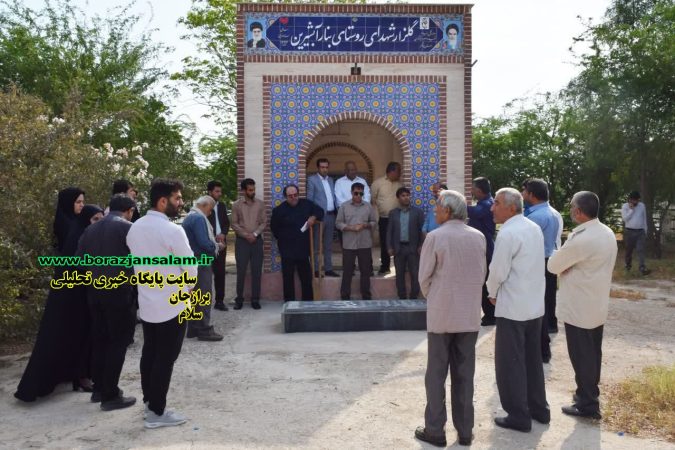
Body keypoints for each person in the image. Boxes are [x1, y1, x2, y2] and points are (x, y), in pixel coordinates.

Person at [415, 190, 486, 448]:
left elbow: (424, 278)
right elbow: (481, 274)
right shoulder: (478, 237)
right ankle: (465, 432)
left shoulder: (435, 237)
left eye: (437, 207)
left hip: (442, 315)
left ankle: (435, 431)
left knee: (436, 374)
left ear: (447, 210)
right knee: (465, 374)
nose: (435, 211)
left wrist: (436, 296)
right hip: (469, 315)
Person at [15, 203, 102, 402]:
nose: (98, 224)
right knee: (68, 337)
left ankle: (80, 375)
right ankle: (79, 377)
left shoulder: (84, 236)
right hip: (71, 301)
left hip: (81, 296)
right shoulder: (76, 238)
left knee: (82, 337)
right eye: (95, 219)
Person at [127, 179, 196, 429]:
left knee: (151, 353)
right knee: (165, 358)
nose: (181, 203)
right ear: (163, 201)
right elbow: (190, 267)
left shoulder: (135, 228)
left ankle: (150, 403)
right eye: (177, 198)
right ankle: (157, 412)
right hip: (172, 305)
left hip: (147, 302)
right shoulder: (172, 230)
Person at [548, 191, 618, 420]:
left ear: (578, 211)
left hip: (579, 307)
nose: (570, 210)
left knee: (582, 356)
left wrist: (565, 265)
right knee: (592, 354)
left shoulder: (583, 237)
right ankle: (586, 396)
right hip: (595, 304)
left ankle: (588, 404)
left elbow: (553, 265)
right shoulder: (606, 232)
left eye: (571, 207)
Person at [487, 188, 549, 432]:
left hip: (513, 308)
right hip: (533, 306)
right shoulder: (532, 227)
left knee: (510, 363)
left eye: (497, 203)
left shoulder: (508, 232)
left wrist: (491, 292)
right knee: (532, 360)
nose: (493, 208)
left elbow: (498, 270)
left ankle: (518, 416)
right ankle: (539, 410)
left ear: (511, 208)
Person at [77, 194, 137, 411]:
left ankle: (99, 389)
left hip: (94, 293)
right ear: (129, 210)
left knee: (101, 340)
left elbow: (80, 262)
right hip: (119, 293)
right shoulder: (128, 228)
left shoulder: (91, 229)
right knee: (118, 341)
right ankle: (110, 395)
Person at [522, 178, 561, 362]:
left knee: (538, 308)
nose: (522, 194)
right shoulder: (552, 212)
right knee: (546, 302)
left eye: (524, 191)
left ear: (532, 195)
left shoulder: (536, 217)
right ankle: (543, 347)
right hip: (549, 260)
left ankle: (542, 350)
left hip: (538, 263)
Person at [182, 195, 225, 341]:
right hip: (201, 261)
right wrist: (216, 246)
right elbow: (203, 242)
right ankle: (204, 330)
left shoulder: (189, 216)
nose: (211, 212)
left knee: (194, 297)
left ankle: (193, 328)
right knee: (204, 296)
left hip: (192, 261)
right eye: (210, 209)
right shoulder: (199, 218)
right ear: (205, 205)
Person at [270, 185, 323, 301]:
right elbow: (274, 228)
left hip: (303, 249)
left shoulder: (307, 204)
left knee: (306, 278)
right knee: (288, 278)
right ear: (285, 197)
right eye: (290, 196)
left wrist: (313, 217)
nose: (293, 198)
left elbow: (320, 211)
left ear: (298, 194)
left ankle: (307, 303)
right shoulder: (279, 210)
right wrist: (284, 238)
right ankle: (289, 304)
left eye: (295, 195)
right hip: (287, 250)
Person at [336, 183, 377, 300]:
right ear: (351, 192)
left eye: (361, 193)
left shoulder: (368, 206)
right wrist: (350, 228)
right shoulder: (344, 206)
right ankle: (345, 296)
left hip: (365, 243)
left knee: (365, 271)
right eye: (356, 193)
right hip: (349, 244)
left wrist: (365, 225)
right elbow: (338, 223)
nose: (358, 195)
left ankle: (366, 295)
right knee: (347, 271)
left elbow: (374, 222)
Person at [231, 178, 266, 310]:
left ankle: (255, 299)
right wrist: (246, 235)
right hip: (242, 242)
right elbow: (234, 223)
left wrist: (255, 234)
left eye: (254, 189)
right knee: (241, 271)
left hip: (257, 241)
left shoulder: (260, 204)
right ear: (244, 190)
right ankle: (239, 299)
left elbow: (263, 222)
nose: (253, 192)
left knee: (257, 271)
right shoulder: (236, 205)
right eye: (250, 190)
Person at [467, 177, 496, 326]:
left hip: (485, 247)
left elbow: (473, 213)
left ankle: (490, 315)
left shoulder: (486, 205)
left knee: (485, 282)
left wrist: (455, 202)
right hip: (482, 245)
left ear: (478, 190)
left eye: (472, 189)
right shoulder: (485, 203)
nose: (471, 191)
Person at [387, 187, 425, 299]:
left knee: (415, 273)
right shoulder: (393, 213)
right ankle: (402, 297)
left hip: (413, 248)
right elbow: (389, 231)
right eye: (403, 195)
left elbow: (422, 230)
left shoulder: (417, 212)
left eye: (408, 195)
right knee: (399, 274)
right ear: (398, 198)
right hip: (398, 248)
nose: (406, 198)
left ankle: (414, 296)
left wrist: (421, 245)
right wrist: (389, 247)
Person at [307, 158, 339, 277]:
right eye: (322, 167)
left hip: (331, 215)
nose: (325, 169)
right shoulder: (312, 180)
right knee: (316, 245)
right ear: (318, 168)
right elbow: (310, 200)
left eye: (326, 167)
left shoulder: (330, 180)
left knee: (328, 244)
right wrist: (313, 215)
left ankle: (328, 269)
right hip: (319, 217)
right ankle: (315, 269)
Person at [371, 162, 402, 275]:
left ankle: (399, 267)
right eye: (399, 171)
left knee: (398, 242)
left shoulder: (400, 184)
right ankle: (385, 266)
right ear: (392, 171)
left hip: (398, 218)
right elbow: (373, 201)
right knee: (385, 243)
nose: (401, 174)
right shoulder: (378, 183)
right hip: (384, 219)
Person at [207, 181, 231, 311]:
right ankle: (204, 300)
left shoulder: (221, 206)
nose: (219, 194)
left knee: (220, 273)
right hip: (207, 245)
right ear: (210, 192)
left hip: (221, 245)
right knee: (205, 273)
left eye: (220, 191)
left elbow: (226, 223)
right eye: (217, 191)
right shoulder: (203, 206)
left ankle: (219, 301)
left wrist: (223, 233)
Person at [621, 191, 649, 275]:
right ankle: (628, 266)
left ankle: (642, 268)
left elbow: (644, 219)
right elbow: (625, 219)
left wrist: (645, 230)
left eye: (636, 200)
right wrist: (631, 210)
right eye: (633, 200)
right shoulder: (625, 206)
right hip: (629, 231)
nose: (635, 202)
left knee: (640, 250)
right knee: (629, 250)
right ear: (629, 199)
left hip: (640, 231)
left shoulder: (642, 206)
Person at [53, 187, 85, 254]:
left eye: (82, 202)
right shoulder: (65, 224)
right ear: (68, 202)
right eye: (78, 202)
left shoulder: (77, 221)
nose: (82, 205)